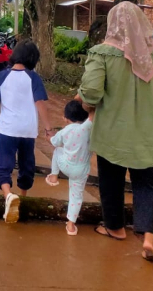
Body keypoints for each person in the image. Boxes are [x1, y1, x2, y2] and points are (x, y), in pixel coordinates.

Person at [78, 1, 153, 262]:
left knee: (111, 180)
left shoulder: (102, 53)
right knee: (148, 183)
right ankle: (149, 237)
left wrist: (84, 100)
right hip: (150, 131)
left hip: (114, 132)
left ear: (112, 23)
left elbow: (92, 92)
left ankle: (114, 228)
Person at [0, 40, 51, 223]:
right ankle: (22, 198)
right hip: (27, 130)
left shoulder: (2, 75)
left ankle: (8, 196)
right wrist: (49, 129)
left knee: (4, 164)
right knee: (26, 166)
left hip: (7, 129)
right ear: (33, 59)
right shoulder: (33, 77)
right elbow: (40, 103)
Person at [45, 100, 93, 236]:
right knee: (76, 196)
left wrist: (49, 137)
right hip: (82, 170)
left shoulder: (65, 131)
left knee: (57, 151)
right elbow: (92, 115)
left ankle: (54, 175)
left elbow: (54, 142)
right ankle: (71, 225)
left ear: (66, 118)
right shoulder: (88, 128)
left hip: (66, 166)